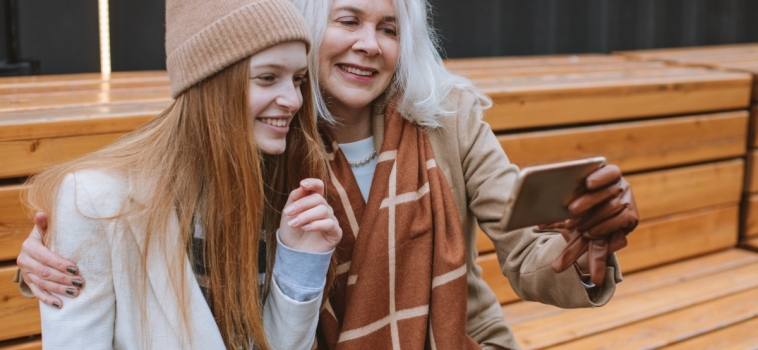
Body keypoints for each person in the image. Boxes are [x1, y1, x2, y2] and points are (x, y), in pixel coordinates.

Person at [16, 0, 638, 348]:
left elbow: (528, 247)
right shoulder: (267, 139)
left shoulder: (448, 118)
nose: (370, 43)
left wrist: (583, 253)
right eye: (349, 20)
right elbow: (160, 203)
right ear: (310, 32)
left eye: (389, 28)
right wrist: (53, 258)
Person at [15, 0, 342, 349]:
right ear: (208, 82)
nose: (293, 99)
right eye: (267, 78)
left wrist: (299, 266)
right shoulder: (95, 199)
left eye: (297, 80)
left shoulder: (280, 188)